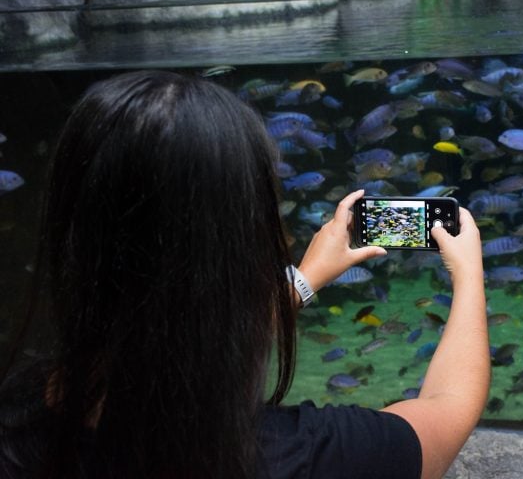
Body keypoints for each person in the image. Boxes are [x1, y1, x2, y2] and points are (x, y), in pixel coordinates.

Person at [0, 70, 489, 479]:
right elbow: (449, 408)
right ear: (242, 248)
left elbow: (166, 334)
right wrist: (468, 274)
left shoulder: (17, 423)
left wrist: (306, 277)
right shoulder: (303, 456)